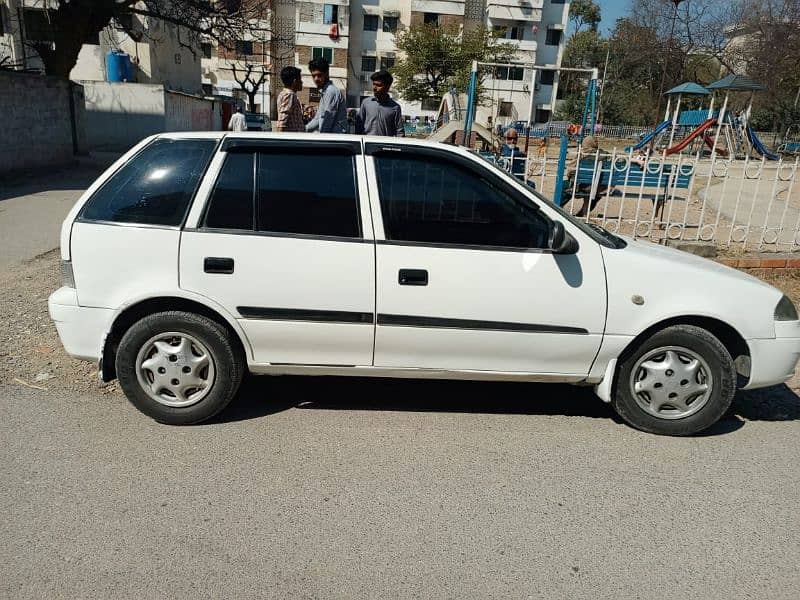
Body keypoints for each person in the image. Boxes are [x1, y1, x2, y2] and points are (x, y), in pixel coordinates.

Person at [355, 70, 404, 137]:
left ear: (387, 87)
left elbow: (399, 132)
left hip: (385, 145)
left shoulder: (395, 107)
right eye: (374, 84)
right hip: (367, 144)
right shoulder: (366, 103)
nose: (374, 88)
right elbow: (359, 125)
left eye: (378, 85)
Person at [305, 57, 347, 133]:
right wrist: (303, 130)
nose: (316, 79)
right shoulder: (324, 92)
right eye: (313, 76)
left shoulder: (331, 91)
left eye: (319, 75)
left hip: (335, 140)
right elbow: (317, 119)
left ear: (326, 73)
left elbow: (327, 121)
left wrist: (321, 138)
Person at [276, 66, 304, 132]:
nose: (302, 82)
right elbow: (282, 123)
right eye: (300, 79)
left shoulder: (284, 93)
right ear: (295, 81)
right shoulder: (289, 95)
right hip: (292, 139)